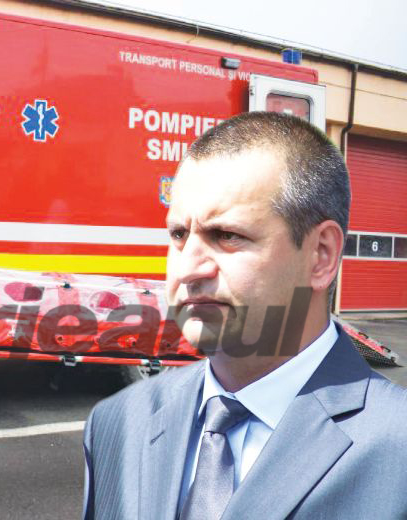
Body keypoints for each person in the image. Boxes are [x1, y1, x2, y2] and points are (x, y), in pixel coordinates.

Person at [82, 112, 407, 520]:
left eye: (227, 235)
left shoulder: (396, 449)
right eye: (179, 234)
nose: (187, 269)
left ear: (321, 255)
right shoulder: (116, 425)